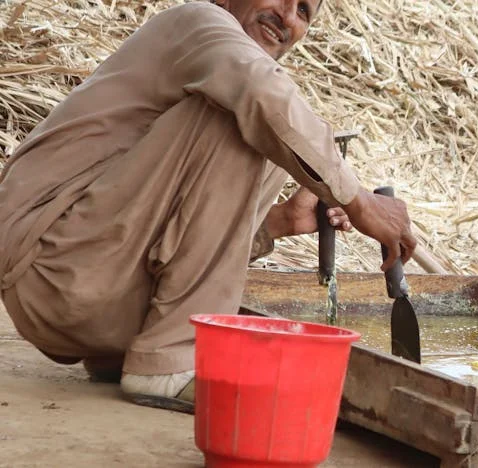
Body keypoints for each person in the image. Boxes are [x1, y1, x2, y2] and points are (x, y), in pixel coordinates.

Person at [0, 0, 417, 413]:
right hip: (46, 263)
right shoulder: (199, 20)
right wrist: (359, 201)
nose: (288, 17)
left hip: (103, 304)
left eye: (304, 11)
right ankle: (170, 359)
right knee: (255, 110)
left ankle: (147, 354)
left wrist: (279, 223)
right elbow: (260, 93)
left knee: (275, 128)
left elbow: (183, 231)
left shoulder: (245, 76)